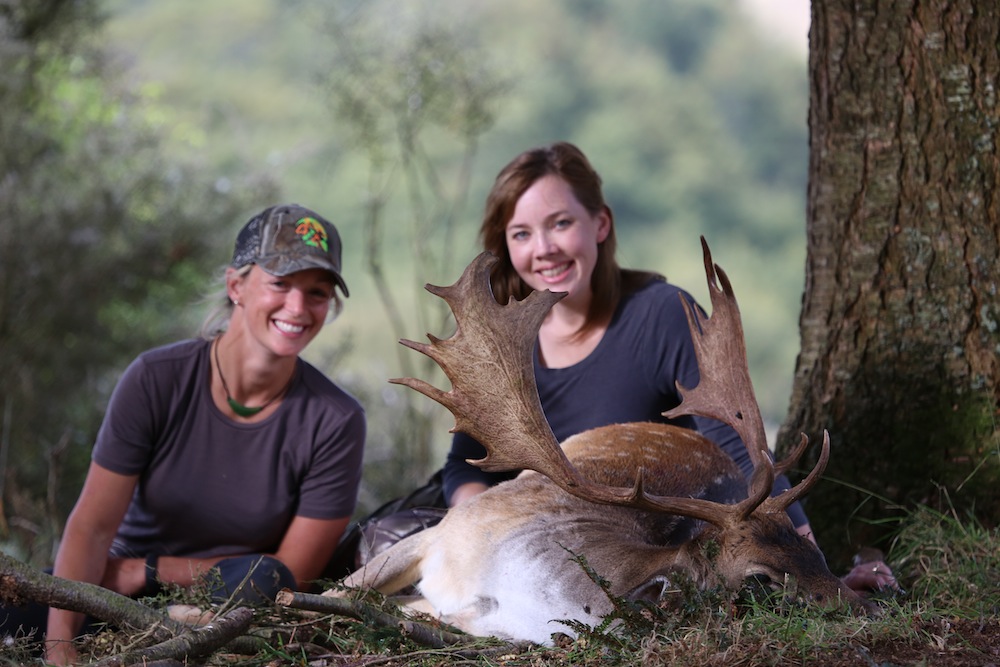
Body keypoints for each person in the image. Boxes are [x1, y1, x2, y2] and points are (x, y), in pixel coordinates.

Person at [441, 141, 896, 594]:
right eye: (521, 234)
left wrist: (817, 575)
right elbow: (465, 465)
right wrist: (481, 533)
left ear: (600, 224)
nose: (544, 249)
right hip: (523, 545)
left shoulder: (663, 316)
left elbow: (744, 457)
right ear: (505, 245)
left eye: (561, 223)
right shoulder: (498, 346)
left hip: (641, 559)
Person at [0, 204, 366, 665]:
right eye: (280, 284)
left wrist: (150, 571)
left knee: (264, 578)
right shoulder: (156, 378)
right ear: (236, 286)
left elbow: (290, 576)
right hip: (111, 589)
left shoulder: (337, 419)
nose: (297, 307)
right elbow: (92, 528)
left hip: (231, 604)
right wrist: (61, 648)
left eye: (317, 293)